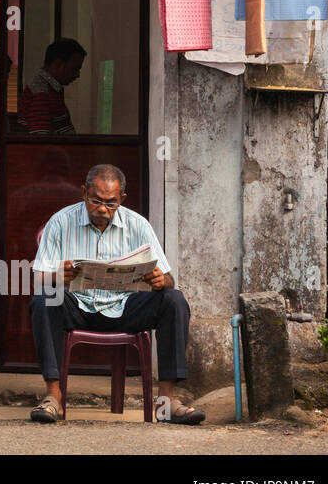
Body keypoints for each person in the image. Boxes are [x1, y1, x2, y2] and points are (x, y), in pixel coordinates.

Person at [28, 164, 204, 425]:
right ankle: (53, 397)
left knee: (173, 299)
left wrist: (160, 280)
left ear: (122, 198)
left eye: (110, 203)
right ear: (83, 193)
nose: (102, 209)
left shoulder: (138, 225)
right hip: (78, 307)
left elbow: (168, 277)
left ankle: (167, 402)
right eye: (95, 200)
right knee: (43, 299)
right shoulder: (60, 222)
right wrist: (57, 275)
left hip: (126, 307)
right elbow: (37, 278)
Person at [17, 38, 85, 134]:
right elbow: (41, 143)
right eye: (74, 69)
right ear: (58, 64)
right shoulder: (41, 94)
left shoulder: (51, 90)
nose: (77, 75)